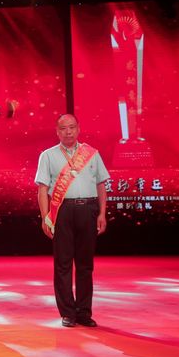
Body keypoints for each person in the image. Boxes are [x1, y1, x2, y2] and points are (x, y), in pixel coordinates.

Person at [35, 114, 110, 328]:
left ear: (78, 129)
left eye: (72, 127)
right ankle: (67, 313)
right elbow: (42, 189)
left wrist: (102, 213)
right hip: (62, 211)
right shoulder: (48, 155)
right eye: (63, 128)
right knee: (63, 264)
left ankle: (84, 312)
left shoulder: (91, 154)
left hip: (88, 209)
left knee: (86, 264)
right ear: (57, 131)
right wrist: (45, 217)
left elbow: (101, 185)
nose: (68, 132)